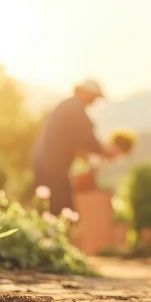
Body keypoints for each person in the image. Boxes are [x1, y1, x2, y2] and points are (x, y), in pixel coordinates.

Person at [32, 79, 120, 213]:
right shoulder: (75, 109)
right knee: (61, 206)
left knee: (51, 205)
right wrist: (105, 151)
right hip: (52, 167)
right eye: (94, 97)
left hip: (48, 164)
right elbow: (87, 138)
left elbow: (75, 143)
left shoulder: (69, 106)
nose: (94, 101)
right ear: (86, 93)